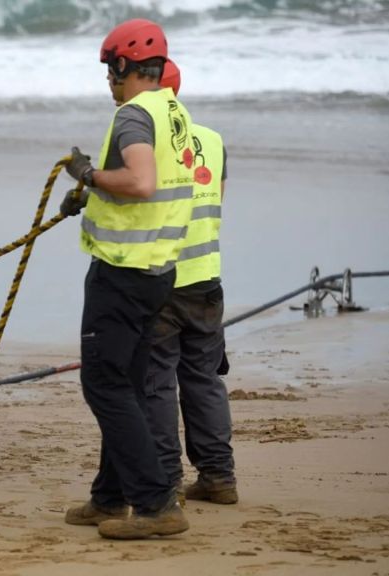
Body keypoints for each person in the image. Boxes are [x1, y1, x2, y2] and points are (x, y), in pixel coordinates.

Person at [59, 19, 194, 539]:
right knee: (128, 384)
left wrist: (89, 176)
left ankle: (156, 506)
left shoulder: (134, 116)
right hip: (158, 269)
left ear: (123, 66)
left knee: (105, 385)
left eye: (108, 70)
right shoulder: (172, 110)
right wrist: (93, 192)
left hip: (124, 272)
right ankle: (110, 498)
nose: (107, 82)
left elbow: (141, 180)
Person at [145, 60, 238, 504]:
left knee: (157, 383)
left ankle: (166, 482)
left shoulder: (144, 144)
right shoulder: (215, 141)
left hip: (161, 281)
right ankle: (218, 478)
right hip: (206, 280)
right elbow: (216, 199)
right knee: (203, 380)